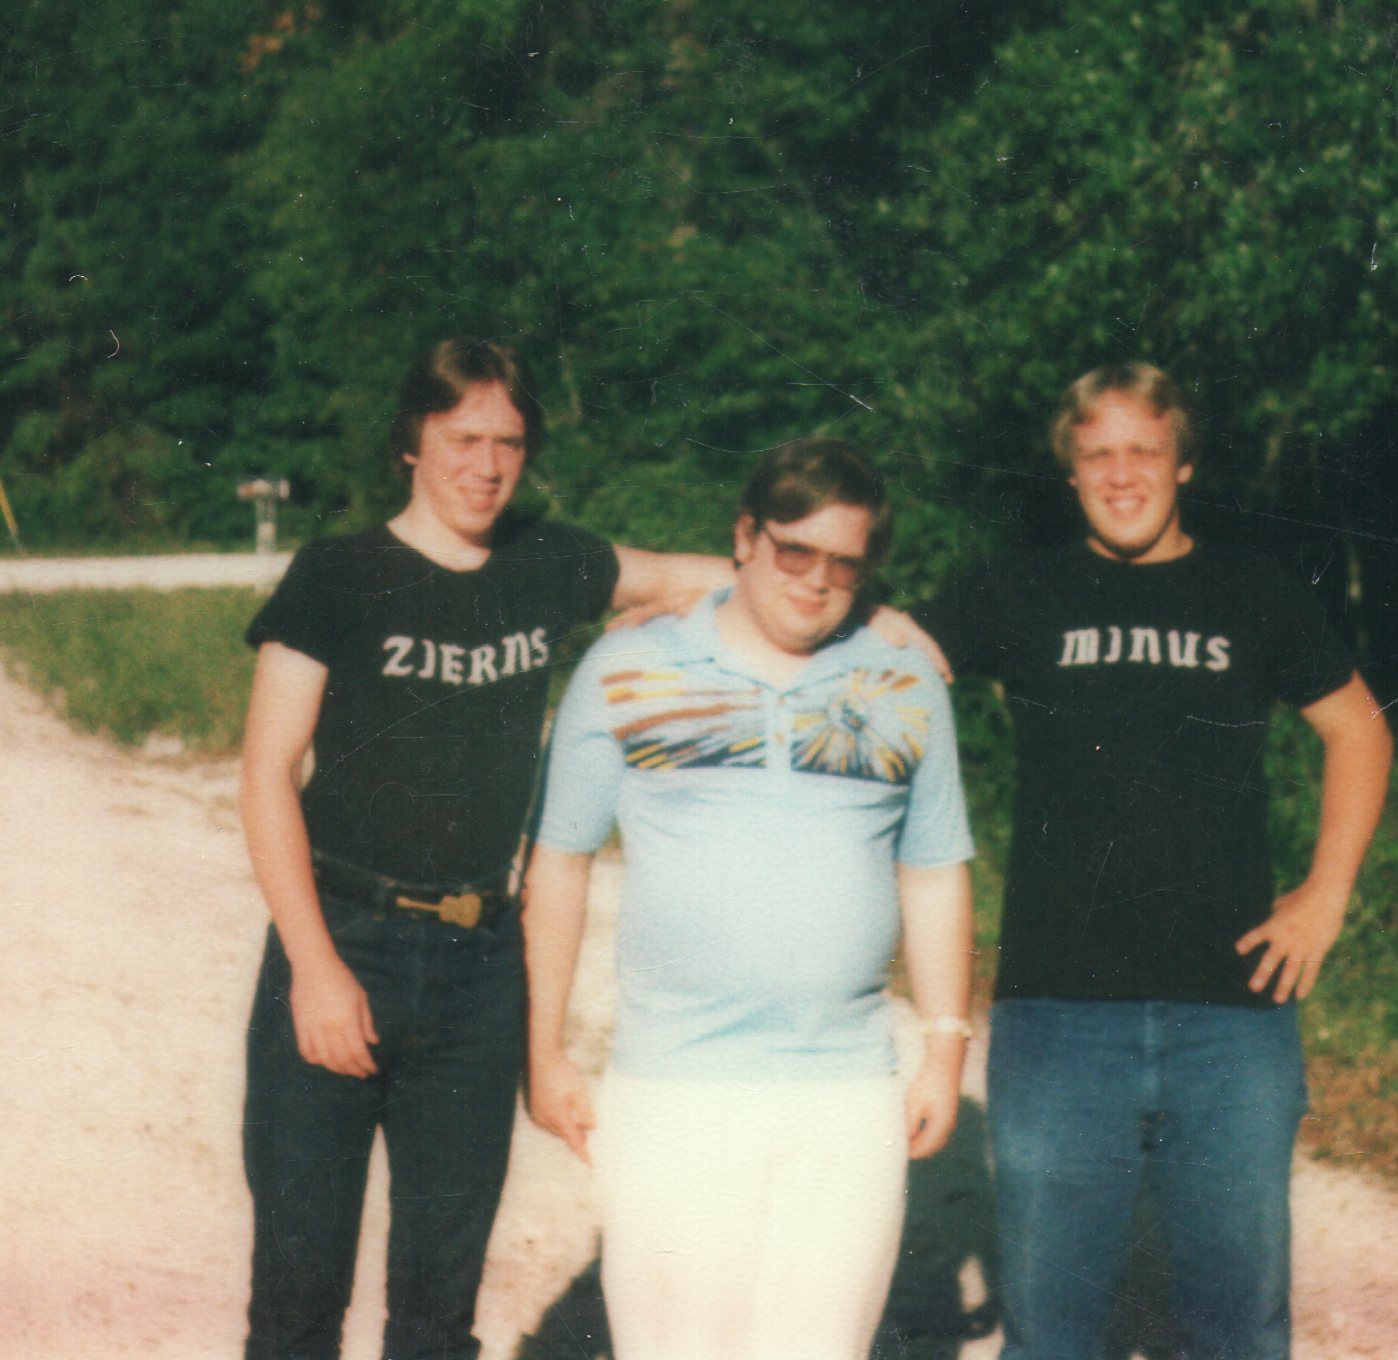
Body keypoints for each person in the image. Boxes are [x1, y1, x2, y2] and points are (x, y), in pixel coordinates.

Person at [238, 337, 739, 1360]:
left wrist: (855, 605)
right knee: (297, 1298)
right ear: (412, 443)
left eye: (509, 441)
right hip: (344, 941)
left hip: (478, 969)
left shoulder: (547, 562)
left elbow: (695, 576)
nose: (487, 462)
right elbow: (262, 777)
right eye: (462, 436)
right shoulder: (337, 573)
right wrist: (316, 969)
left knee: (438, 1309)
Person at [919, 363, 1394, 1360]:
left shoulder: (1252, 590)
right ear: (1070, 472)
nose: (1120, 472)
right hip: (1056, 1019)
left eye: (1142, 449)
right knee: (1049, 1335)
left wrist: (1325, 894)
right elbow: (864, 652)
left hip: (1232, 1020)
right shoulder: (1015, 588)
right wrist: (696, 598)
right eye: (1097, 453)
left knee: (1240, 1333)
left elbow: (1358, 730)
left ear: (1182, 463)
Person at [523, 437, 976, 1360]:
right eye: (794, 551)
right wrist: (544, 1052)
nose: (815, 581)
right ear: (744, 538)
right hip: (674, 1090)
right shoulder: (626, 668)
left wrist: (941, 1048)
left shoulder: (906, 678)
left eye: (844, 564)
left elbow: (933, 872)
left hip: (846, 1094)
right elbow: (557, 864)